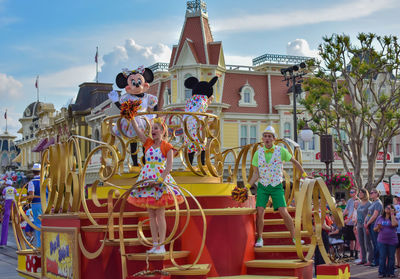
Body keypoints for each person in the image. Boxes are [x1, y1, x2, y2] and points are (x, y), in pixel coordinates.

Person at [127, 116, 184, 254]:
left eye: (156, 128)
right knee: (151, 214)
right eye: (152, 128)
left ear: (162, 131)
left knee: (160, 213)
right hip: (146, 179)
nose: (153, 130)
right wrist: (131, 117)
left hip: (160, 181)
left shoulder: (167, 146)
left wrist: (160, 179)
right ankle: (155, 244)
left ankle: (162, 245)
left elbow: (169, 167)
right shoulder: (147, 143)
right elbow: (137, 130)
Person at [246, 126, 310, 247]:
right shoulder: (257, 153)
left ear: (274, 139)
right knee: (260, 211)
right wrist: (247, 186)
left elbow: (295, 162)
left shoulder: (281, 151)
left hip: (276, 185)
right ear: (262, 139)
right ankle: (260, 238)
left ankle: (295, 237)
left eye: (269, 136)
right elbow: (255, 173)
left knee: (283, 211)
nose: (267, 138)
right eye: (265, 136)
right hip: (263, 186)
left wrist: (304, 175)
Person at [374, 204, 398, 278]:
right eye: (387, 207)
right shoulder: (380, 217)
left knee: (391, 257)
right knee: (382, 257)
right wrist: (378, 227)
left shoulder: (394, 218)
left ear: (392, 209)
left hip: (392, 240)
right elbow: (374, 229)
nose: (388, 208)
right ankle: (381, 272)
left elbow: (394, 224)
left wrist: (392, 214)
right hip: (382, 240)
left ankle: (391, 272)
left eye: (390, 208)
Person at [364, 188, 383, 267]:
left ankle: (377, 261)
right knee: (374, 243)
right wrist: (366, 221)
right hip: (370, 224)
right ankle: (375, 260)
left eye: (372, 193)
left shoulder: (378, 203)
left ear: (376, 194)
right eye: (370, 193)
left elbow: (375, 215)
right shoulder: (373, 202)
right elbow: (369, 214)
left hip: (375, 225)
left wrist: (367, 223)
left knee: (376, 243)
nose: (370, 194)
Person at [356, 188, 372, 265]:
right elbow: (357, 214)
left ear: (365, 194)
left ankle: (370, 260)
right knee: (361, 242)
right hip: (359, 225)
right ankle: (363, 259)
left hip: (366, 225)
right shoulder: (359, 203)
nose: (359, 194)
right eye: (359, 193)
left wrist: (367, 225)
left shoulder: (369, 203)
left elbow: (370, 215)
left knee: (368, 242)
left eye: (361, 193)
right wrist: (355, 225)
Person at [27, 163, 42, 248]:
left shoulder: (32, 182)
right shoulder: (45, 180)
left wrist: (28, 201)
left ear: (33, 172)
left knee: (38, 223)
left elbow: (31, 195)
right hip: (47, 204)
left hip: (37, 204)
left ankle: (39, 246)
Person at [0, 180, 17, 247]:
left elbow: (3, 197)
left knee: (5, 221)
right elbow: (16, 194)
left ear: (6, 184)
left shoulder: (5, 189)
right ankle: (19, 242)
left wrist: (3, 204)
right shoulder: (14, 189)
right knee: (16, 221)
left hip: (7, 202)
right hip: (13, 203)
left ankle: (3, 242)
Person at [343, 187, 358, 258]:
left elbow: (354, 211)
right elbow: (346, 210)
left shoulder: (358, 201)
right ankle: (351, 253)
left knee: (356, 239)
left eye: (352, 192)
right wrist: (341, 217)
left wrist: (348, 219)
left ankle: (356, 254)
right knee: (351, 239)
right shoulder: (349, 200)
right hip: (349, 222)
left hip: (354, 222)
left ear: (356, 193)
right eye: (350, 192)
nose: (351, 193)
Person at [393, 194, 400, 268]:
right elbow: (394, 216)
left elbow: (396, 216)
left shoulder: (396, 207)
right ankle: (398, 263)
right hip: (396, 231)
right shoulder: (395, 207)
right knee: (397, 248)